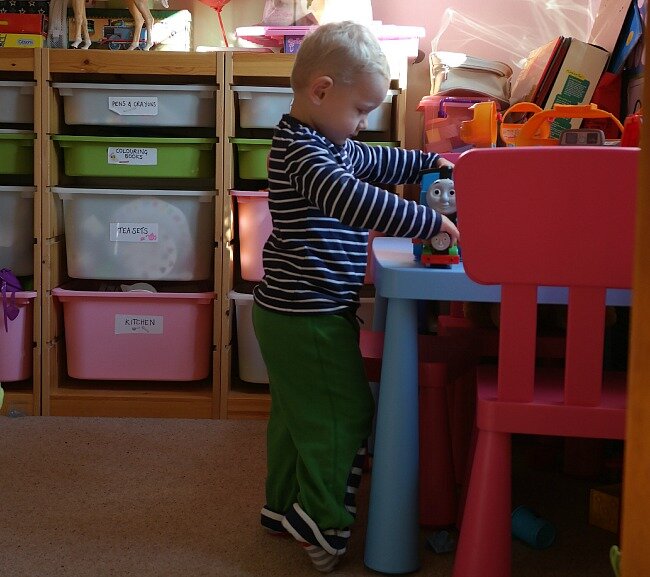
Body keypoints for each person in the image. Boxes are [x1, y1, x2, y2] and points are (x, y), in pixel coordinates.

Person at [252, 20, 459, 573]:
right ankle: (323, 524)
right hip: (306, 313)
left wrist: (428, 162)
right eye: (361, 110)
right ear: (320, 91)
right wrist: (428, 223)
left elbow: (378, 162)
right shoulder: (304, 156)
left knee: (299, 416)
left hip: (298, 309)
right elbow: (354, 200)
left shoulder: (328, 141)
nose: (364, 124)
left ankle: (282, 509)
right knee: (341, 413)